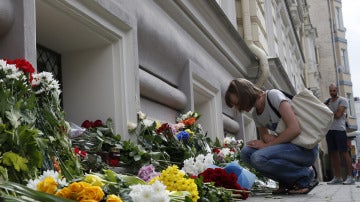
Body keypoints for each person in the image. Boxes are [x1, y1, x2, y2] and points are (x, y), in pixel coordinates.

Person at [225, 78, 318, 195]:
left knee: (258, 157)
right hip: (288, 149)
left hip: (305, 149)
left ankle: (304, 176)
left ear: (244, 94)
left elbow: (295, 129)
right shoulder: (256, 114)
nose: (238, 109)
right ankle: (286, 181)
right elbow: (265, 137)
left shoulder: (273, 96)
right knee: (246, 153)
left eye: (237, 103)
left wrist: (267, 144)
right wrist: (264, 142)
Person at [325, 83, 354, 185]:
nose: (332, 92)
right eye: (330, 91)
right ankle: (338, 177)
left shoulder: (343, 100)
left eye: (334, 90)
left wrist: (327, 110)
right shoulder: (327, 101)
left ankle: (350, 177)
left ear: (337, 90)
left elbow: (338, 115)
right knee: (333, 154)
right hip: (329, 130)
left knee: (343, 153)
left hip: (339, 130)